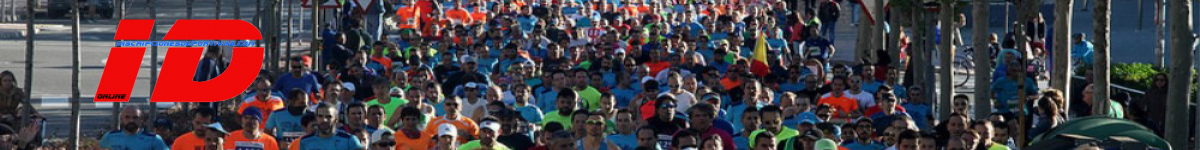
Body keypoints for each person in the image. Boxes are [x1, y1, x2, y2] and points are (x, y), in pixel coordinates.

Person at [295, 104, 366, 150]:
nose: (324, 120)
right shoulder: (305, 141)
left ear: (336, 119)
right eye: (320, 116)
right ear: (316, 118)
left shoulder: (349, 140)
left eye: (328, 117)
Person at [99, 106, 169, 150]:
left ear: (141, 120)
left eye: (135, 117)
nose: (131, 120)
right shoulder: (110, 137)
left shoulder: (154, 139)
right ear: (122, 119)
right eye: (127, 117)